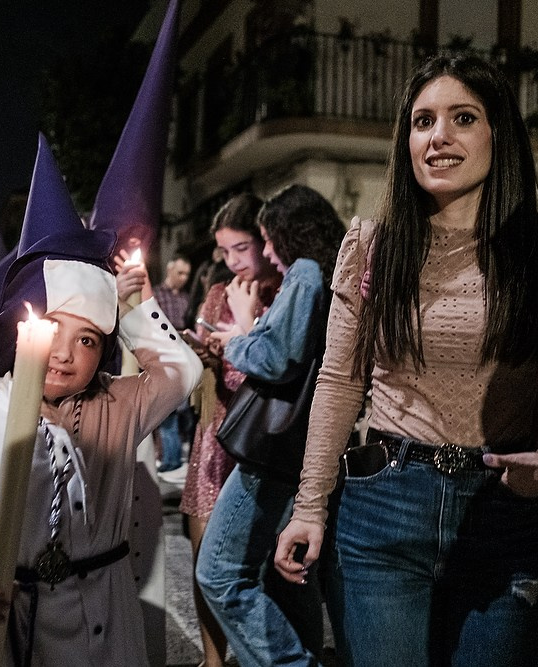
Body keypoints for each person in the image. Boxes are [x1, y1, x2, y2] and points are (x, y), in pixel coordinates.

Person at [274, 55, 538, 667]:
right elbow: (339, 380)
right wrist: (309, 507)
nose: (438, 137)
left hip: (507, 510)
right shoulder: (372, 246)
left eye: (463, 118)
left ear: (499, 136)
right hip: (382, 507)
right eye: (422, 121)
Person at [0, 249, 203, 664]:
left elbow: (182, 371)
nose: (64, 353)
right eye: (50, 328)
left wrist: (133, 306)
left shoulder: (117, 405)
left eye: (87, 340)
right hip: (11, 625)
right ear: (19, 333)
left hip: (106, 625)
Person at [196, 184, 346, 666]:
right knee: (288, 578)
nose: (265, 254)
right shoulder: (331, 271)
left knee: (218, 573)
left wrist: (240, 335)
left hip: (271, 446)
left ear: (287, 234)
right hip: (301, 445)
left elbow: (277, 358)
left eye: (263, 240)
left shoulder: (303, 273)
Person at [178, 192, 281, 667]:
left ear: (266, 240)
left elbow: (276, 370)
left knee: (260, 572)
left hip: (261, 444)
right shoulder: (219, 291)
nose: (233, 261)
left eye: (241, 248)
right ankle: (212, 660)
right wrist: (199, 350)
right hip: (216, 432)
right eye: (224, 252)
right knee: (204, 564)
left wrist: (241, 334)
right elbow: (204, 343)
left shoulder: (286, 290)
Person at [153, 254, 194, 472]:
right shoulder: (157, 294)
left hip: (183, 356)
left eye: (187, 273)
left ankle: (173, 457)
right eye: (180, 272)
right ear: (170, 270)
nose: (184, 278)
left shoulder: (186, 298)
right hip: (162, 356)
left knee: (181, 409)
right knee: (166, 409)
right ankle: (170, 459)